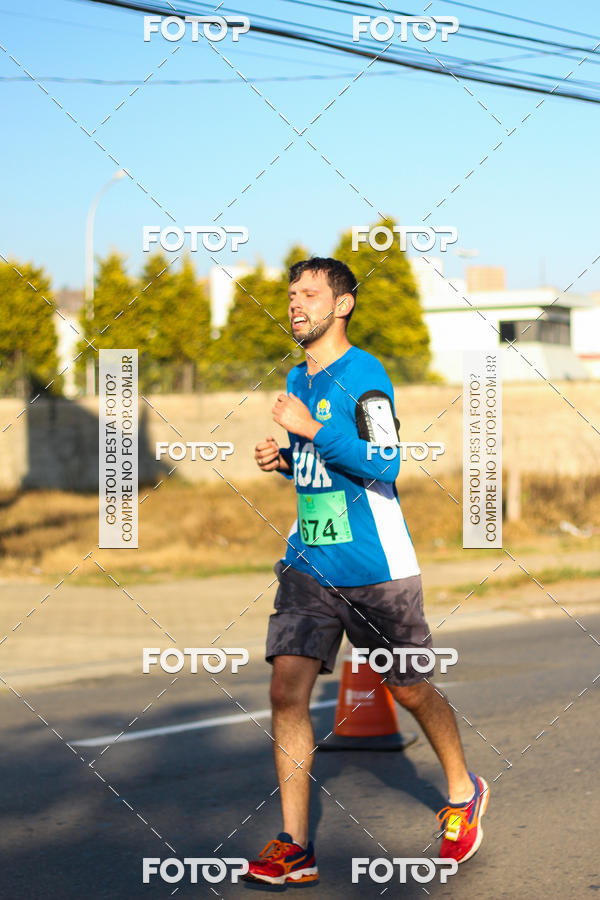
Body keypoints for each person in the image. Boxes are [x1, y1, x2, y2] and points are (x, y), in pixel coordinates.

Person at [246, 257, 488, 886]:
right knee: (285, 691)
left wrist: (309, 429)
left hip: (377, 566)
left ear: (342, 305)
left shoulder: (366, 374)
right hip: (309, 561)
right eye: (291, 293)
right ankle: (295, 845)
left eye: (310, 293)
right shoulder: (296, 377)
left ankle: (463, 792)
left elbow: (384, 462)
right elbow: (323, 464)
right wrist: (286, 458)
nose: (296, 303)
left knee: (407, 689)